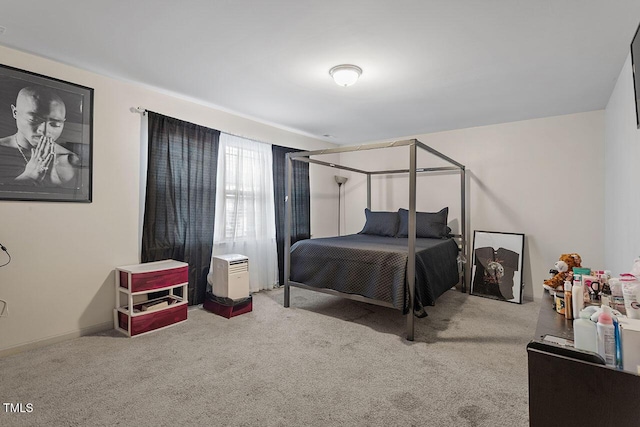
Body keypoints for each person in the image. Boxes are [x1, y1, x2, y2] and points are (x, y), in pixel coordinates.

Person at [0, 86, 80, 188]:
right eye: (33, 119)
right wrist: (28, 177)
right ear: (15, 113)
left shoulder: (69, 160)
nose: (45, 130)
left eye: (55, 124)